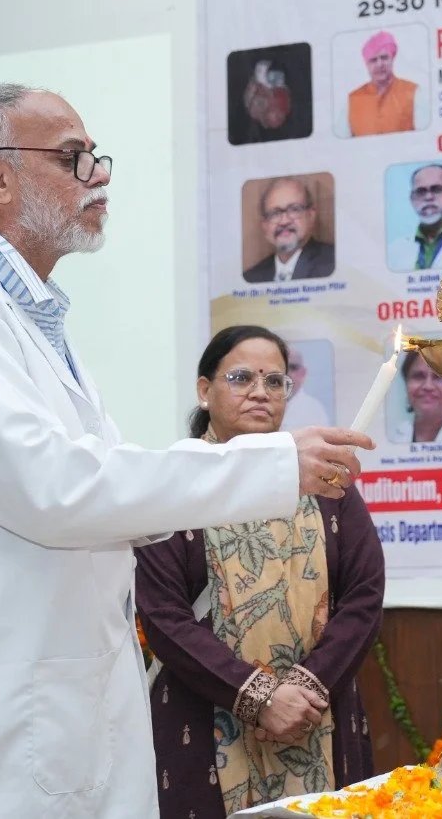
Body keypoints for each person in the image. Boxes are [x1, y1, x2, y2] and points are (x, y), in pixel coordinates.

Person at [0, 84, 371, 818]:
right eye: (73, 157)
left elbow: (101, 483)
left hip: (57, 703)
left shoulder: (28, 316)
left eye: (97, 157)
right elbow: (59, 490)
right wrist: (270, 462)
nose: (99, 175)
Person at [137, 325, 384, 818]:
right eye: (241, 378)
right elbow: (164, 616)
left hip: (318, 715)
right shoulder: (175, 482)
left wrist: (306, 690)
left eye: (275, 381)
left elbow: (364, 593)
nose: (260, 392)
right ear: (205, 390)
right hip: (204, 717)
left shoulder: (326, 483)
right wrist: (260, 698)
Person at [243, 177, 335, 283]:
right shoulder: (250, 278)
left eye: (294, 209)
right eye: (275, 213)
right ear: (265, 226)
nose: (284, 221)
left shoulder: (335, 262)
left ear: (310, 216)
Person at [341, 30, 424, 137]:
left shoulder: (413, 92)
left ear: (392, 58)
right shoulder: (352, 99)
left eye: (384, 57)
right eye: (373, 60)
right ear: (366, 64)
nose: (379, 64)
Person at [391, 349, 442, 444]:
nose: (428, 386)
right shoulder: (393, 437)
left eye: (438, 376)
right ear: (406, 382)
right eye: (418, 376)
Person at [282, 344, 333, 428]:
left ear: (303, 372)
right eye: (283, 367)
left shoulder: (315, 410)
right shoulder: (267, 404)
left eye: (293, 367)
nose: (287, 372)